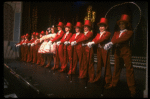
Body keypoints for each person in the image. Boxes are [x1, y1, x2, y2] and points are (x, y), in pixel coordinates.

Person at [104, 14, 136, 97]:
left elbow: (121, 39)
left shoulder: (129, 32)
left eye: (123, 24)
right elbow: (114, 39)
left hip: (126, 52)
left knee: (129, 70)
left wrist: (112, 42)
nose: (121, 25)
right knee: (116, 69)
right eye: (120, 24)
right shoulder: (116, 32)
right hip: (117, 52)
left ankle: (132, 89)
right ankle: (113, 84)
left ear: (126, 24)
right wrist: (110, 43)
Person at [87, 18, 112, 87]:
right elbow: (96, 39)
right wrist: (92, 42)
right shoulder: (98, 34)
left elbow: (101, 39)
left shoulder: (108, 33)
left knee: (106, 66)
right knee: (98, 65)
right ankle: (97, 78)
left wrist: (93, 42)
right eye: (100, 26)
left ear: (106, 27)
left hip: (105, 50)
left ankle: (108, 81)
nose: (101, 28)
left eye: (103, 26)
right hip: (99, 50)